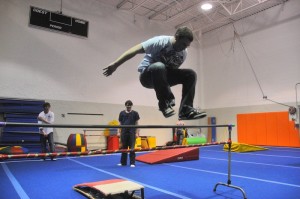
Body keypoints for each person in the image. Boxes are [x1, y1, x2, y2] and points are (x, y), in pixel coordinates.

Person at [103, 26, 207, 120]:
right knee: (159, 66)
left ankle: (186, 110)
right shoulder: (160, 41)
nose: (184, 48)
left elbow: (171, 72)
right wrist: (116, 64)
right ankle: (164, 105)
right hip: (147, 76)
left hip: (162, 77)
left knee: (190, 74)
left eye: (187, 46)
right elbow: (135, 50)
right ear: (177, 37)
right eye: (183, 44)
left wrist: (166, 88)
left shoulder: (183, 54)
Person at [118, 100, 140, 167]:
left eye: (130, 106)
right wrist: (119, 132)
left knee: (132, 148)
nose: (128, 107)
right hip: (124, 132)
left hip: (132, 132)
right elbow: (120, 123)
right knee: (123, 148)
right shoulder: (122, 113)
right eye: (127, 106)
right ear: (126, 106)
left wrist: (137, 133)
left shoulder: (135, 113)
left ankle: (132, 163)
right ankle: (123, 162)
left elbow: (137, 123)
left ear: (131, 106)